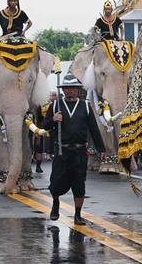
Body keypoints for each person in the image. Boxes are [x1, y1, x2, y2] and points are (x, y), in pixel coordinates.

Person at [42, 73, 106, 225]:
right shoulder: (55, 105)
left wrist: (101, 148)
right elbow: (44, 125)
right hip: (61, 151)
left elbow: (94, 129)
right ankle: (55, 203)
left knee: (79, 184)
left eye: (72, 88)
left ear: (77, 90)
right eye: (67, 88)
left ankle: (77, 214)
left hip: (79, 152)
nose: (70, 91)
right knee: (56, 183)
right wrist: (53, 119)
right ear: (63, 90)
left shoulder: (85, 105)